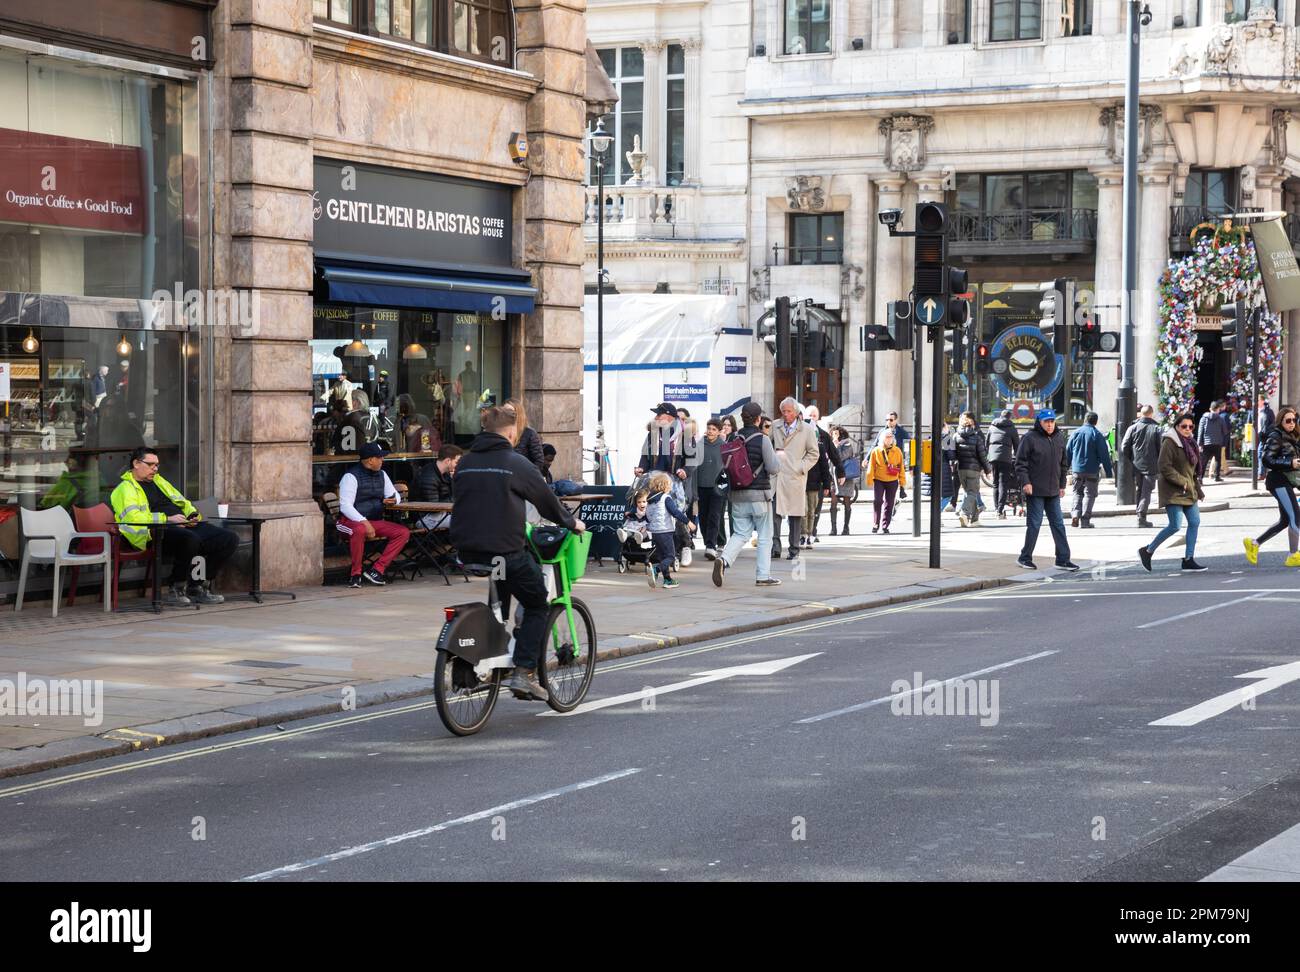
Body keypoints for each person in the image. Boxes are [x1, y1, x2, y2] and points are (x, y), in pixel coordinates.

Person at [450, 404, 585, 702]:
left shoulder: (467, 461)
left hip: (467, 552)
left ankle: (481, 652)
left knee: (499, 599)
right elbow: (547, 500)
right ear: (511, 432)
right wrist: (571, 521)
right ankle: (524, 673)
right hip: (503, 553)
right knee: (537, 603)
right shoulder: (516, 463)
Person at [111, 446, 239, 606]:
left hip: (181, 524)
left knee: (228, 538)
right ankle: (176, 588)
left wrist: (192, 515)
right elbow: (134, 518)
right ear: (136, 463)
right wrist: (168, 519)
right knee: (190, 539)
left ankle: (198, 586)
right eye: (150, 465)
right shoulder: (124, 489)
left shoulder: (159, 481)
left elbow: (182, 501)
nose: (155, 469)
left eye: (157, 465)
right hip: (152, 532)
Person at [713, 401, 782, 588]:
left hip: (737, 494)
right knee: (765, 536)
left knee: (740, 533)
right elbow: (773, 468)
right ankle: (763, 576)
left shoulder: (733, 437)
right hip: (759, 495)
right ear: (759, 419)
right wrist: (779, 458)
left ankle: (724, 559)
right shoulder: (763, 439)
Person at [1139, 413, 1207, 572]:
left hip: (1189, 490)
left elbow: (1192, 471)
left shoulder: (1191, 443)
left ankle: (1188, 559)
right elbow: (1164, 466)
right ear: (1177, 426)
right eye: (1184, 426)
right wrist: (1182, 481)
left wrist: (1198, 489)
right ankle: (1147, 550)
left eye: (1191, 426)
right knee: (1175, 526)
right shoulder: (1170, 442)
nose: (1187, 429)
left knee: (1195, 522)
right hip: (1173, 490)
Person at [336, 442, 411, 588]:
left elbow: (395, 495)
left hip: (372, 521)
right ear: (370, 460)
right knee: (359, 530)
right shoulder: (350, 476)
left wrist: (393, 499)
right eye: (380, 457)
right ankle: (355, 574)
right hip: (348, 523)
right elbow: (345, 506)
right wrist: (364, 522)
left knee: (402, 532)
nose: (383, 460)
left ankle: (377, 570)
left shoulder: (382, 474)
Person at [1015, 409, 1078, 572]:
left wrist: (1062, 484)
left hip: (1053, 490)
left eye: (1052, 421)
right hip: (1035, 490)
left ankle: (1063, 559)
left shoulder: (1059, 437)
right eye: (1046, 422)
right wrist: (1026, 482)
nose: (1050, 425)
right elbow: (1020, 463)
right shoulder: (1030, 438)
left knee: (1058, 525)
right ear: (1040, 422)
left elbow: (1063, 463)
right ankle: (1025, 557)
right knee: (1034, 525)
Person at [1243, 406, 1300, 568]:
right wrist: (1290, 463)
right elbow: (1267, 460)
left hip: (1286, 481)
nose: (1291, 423)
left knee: (1285, 520)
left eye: (1293, 420)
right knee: (1296, 517)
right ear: (1281, 421)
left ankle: (1254, 544)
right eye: (1288, 420)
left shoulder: (1291, 436)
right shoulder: (1275, 436)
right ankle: (1293, 555)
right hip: (1278, 481)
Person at [771, 397, 821, 560]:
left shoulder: (806, 429)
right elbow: (768, 446)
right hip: (777, 476)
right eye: (783, 411)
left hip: (795, 477)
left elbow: (814, 453)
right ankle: (775, 547)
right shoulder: (775, 426)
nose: (785, 414)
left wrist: (801, 467)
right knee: (774, 514)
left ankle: (794, 549)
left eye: (789, 411)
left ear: (796, 412)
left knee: (795, 515)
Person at [643, 471, 695, 590]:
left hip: (655, 533)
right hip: (665, 532)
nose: (670, 487)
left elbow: (647, 516)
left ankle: (668, 580)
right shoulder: (666, 498)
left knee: (663, 557)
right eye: (669, 485)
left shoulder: (650, 500)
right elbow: (676, 512)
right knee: (671, 556)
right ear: (665, 485)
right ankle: (655, 570)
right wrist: (688, 522)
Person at [802, 405, 845, 546]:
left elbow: (832, 457)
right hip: (800, 479)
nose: (811, 419)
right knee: (803, 509)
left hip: (816, 479)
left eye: (814, 416)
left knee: (814, 508)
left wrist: (839, 472)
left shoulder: (822, 437)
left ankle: (811, 532)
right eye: (809, 416)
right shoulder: (798, 435)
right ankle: (803, 534)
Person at [1067, 411, 1114, 529]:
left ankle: (1075, 514)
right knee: (1090, 495)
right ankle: (1085, 520)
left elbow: (1068, 451)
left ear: (1084, 420)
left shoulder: (1075, 433)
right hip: (1092, 470)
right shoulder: (1097, 434)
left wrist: (1065, 467)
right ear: (1096, 422)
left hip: (1077, 469)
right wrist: (1109, 472)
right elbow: (1104, 455)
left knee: (1077, 492)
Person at [1121, 404, 1162, 529]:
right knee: (1146, 492)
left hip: (1137, 465)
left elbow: (1124, 447)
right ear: (1151, 414)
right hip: (1151, 465)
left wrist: (1132, 459)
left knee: (1140, 489)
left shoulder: (1132, 428)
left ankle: (1140, 515)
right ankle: (1141, 516)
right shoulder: (1156, 428)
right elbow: (1161, 448)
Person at [954, 412, 991, 528]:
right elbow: (982, 455)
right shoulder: (976, 437)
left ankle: (974, 520)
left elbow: (952, 453)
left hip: (961, 469)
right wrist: (988, 470)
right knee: (972, 492)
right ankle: (964, 512)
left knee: (969, 492)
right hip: (974, 469)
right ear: (972, 424)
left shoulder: (955, 436)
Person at [414, 444, 464, 530]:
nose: (458, 465)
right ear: (448, 461)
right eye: (456, 462)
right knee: (469, 520)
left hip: (442, 514)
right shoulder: (428, 476)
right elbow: (434, 507)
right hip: (426, 518)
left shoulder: (444, 474)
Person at [866, 428, 906, 534]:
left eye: (891, 437)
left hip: (893, 480)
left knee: (889, 503)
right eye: (887, 437)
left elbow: (901, 467)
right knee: (877, 501)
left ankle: (885, 525)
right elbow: (871, 466)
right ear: (882, 439)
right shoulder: (876, 451)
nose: (889, 439)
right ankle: (875, 524)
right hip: (879, 479)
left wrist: (902, 483)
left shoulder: (897, 451)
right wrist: (869, 479)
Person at [635, 403, 689, 481]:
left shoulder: (685, 435)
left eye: (659, 415)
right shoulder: (652, 433)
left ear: (669, 417)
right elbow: (645, 455)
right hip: (654, 481)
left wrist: (685, 471)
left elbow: (692, 458)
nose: (656, 418)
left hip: (676, 483)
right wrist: (642, 468)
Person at [697, 419, 726, 559]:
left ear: (719, 432)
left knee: (714, 516)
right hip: (701, 486)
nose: (710, 431)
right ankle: (707, 541)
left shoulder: (724, 446)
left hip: (718, 487)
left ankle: (711, 546)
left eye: (714, 429)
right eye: (709, 428)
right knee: (703, 517)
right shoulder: (699, 445)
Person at [986, 409, 1020, 519]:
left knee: (995, 484)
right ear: (1010, 417)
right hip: (1005, 459)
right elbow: (1017, 446)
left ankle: (996, 509)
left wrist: (989, 455)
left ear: (1001, 416)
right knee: (1003, 484)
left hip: (993, 458)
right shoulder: (1011, 428)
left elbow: (986, 443)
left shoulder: (992, 426)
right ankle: (1000, 510)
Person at [828, 426, 859, 536]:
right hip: (833, 476)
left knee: (847, 502)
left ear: (841, 434)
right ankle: (833, 528)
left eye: (836, 433)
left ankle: (846, 528)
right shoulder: (830, 444)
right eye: (833, 433)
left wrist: (836, 445)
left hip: (846, 476)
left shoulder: (847, 444)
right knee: (833, 501)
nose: (834, 435)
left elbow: (840, 457)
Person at [876, 412, 911, 499]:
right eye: (887, 420)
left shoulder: (902, 432)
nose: (889, 422)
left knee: (894, 483)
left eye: (891, 420)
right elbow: (875, 445)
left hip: (897, 461)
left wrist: (910, 465)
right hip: (883, 462)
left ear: (896, 420)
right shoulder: (882, 431)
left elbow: (908, 448)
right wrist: (867, 459)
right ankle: (892, 502)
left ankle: (896, 499)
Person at [1196, 400, 1230, 482]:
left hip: (1206, 443)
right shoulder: (1221, 419)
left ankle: (1200, 478)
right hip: (1217, 443)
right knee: (1218, 460)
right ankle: (1217, 476)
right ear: (1218, 409)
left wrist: (1199, 444)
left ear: (1210, 408)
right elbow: (1225, 431)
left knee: (1204, 462)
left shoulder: (1203, 418)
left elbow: (1200, 432)